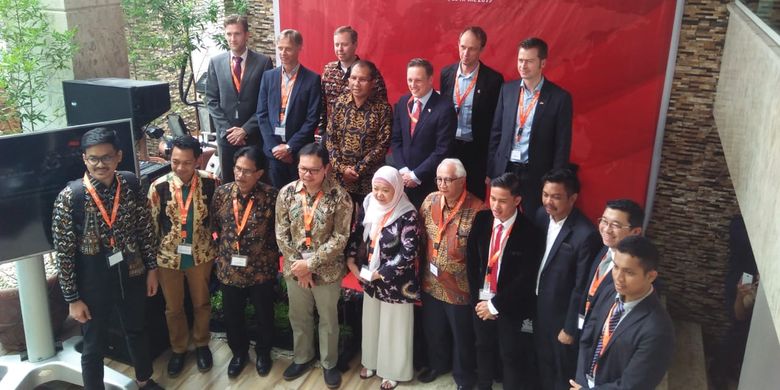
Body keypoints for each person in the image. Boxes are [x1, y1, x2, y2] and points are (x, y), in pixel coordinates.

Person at [51, 127, 162, 389]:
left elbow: (144, 229)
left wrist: (152, 268)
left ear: (119, 156)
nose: (100, 164)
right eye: (93, 158)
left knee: (137, 329)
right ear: (84, 159)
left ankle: (144, 380)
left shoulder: (131, 184)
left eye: (107, 157)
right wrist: (72, 299)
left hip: (132, 271)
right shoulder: (71, 197)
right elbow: (64, 254)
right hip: (93, 280)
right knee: (94, 344)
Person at [275, 143, 353, 388]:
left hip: (327, 271)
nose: (307, 175)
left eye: (313, 170)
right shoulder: (287, 193)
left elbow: (340, 238)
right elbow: (280, 232)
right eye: (302, 169)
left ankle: (329, 363)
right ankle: (303, 358)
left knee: (328, 319)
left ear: (326, 168)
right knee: (298, 316)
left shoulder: (340, 196)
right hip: (295, 269)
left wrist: (311, 264)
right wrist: (300, 266)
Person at [147, 136, 220, 377]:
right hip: (168, 258)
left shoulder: (211, 183)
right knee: (173, 307)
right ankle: (178, 348)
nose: (180, 168)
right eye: (175, 161)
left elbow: (217, 219)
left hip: (201, 254)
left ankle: (201, 344)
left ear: (198, 160)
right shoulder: (159, 186)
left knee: (201, 302)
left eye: (187, 163)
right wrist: (152, 266)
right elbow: (152, 227)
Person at [345, 166, 419, 390]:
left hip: (396, 282)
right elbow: (358, 233)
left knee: (393, 326)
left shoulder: (407, 212)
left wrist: (382, 273)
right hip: (369, 277)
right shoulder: (369, 203)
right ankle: (372, 362)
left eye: (385, 190)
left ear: (396, 188)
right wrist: (350, 259)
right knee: (372, 321)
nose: (379, 194)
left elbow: (409, 251)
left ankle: (393, 371)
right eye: (375, 188)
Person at [466, 172, 542, 390]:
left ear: (517, 201)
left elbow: (525, 278)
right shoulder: (482, 219)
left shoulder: (529, 232)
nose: (495, 206)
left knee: (510, 355)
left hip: (510, 307)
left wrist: (495, 305)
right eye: (492, 199)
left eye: (502, 201)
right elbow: (471, 263)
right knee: (482, 347)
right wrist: (477, 302)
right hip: (481, 303)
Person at [210, 146, 280, 378]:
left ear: (259, 173)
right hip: (230, 270)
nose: (240, 175)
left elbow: (279, 232)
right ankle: (238, 353)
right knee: (232, 316)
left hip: (261, 270)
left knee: (263, 315)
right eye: (237, 169)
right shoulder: (221, 193)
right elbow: (215, 226)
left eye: (247, 171)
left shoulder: (272, 196)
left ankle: (262, 353)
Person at [570, 235, 674, 390]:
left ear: (651, 276)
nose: (618, 277)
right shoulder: (609, 291)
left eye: (629, 273)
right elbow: (588, 337)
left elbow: (633, 385)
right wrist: (582, 381)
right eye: (616, 267)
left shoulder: (658, 329)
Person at [417, 158, 486, 389]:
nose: (443, 184)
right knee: (434, 330)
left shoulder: (478, 209)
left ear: (462, 181)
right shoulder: (429, 201)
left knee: (462, 337)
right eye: (439, 179)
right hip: (430, 282)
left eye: (448, 179)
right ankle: (438, 365)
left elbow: (482, 255)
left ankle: (463, 377)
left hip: (460, 288)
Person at [487, 37, 572, 214]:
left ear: (543, 63)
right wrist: (492, 169)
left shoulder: (559, 98)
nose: (523, 66)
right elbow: (496, 132)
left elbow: (562, 144)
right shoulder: (507, 90)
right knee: (501, 215)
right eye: (520, 60)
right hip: (506, 167)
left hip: (537, 172)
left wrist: (555, 180)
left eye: (529, 61)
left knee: (534, 218)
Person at [533, 168, 601, 390]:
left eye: (556, 197)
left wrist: (571, 327)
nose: (548, 202)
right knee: (540, 362)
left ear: (572, 198)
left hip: (561, 317)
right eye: (545, 194)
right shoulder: (540, 215)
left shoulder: (585, 234)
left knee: (560, 369)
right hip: (537, 307)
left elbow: (582, 286)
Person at [206, 14, 274, 183]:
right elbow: (211, 99)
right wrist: (228, 130)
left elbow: (265, 102)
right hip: (226, 137)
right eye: (228, 34)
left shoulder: (263, 62)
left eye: (237, 34)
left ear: (247, 35)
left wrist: (245, 129)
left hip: (252, 137)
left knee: (256, 183)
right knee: (229, 182)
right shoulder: (216, 62)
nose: (232, 38)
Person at [440, 26, 504, 200]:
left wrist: (491, 164)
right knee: (448, 195)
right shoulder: (446, 74)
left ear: (482, 49)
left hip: (476, 150)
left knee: (475, 198)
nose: (466, 53)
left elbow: (496, 123)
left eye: (472, 48)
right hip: (450, 147)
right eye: (462, 47)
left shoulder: (493, 80)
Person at [257, 29, 322, 188]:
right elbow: (262, 114)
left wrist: (289, 147)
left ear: (299, 48)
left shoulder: (312, 79)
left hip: (299, 153)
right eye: (280, 48)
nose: (283, 53)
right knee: (277, 197)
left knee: (301, 197)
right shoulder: (268, 76)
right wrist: (274, 147)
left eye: (288, 48)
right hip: (273, 152)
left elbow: (312, 119)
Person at [390, 58, 457, 207]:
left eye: (418, 80)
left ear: (430, 80)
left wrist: (416, 175)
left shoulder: (444, 108)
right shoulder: (403, 102)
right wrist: (403, 170)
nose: (413, 85)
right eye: (410, 80)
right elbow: (396, 140)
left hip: (428, 183)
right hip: (403, 180)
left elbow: (442, 150)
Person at [325, 60, 392, 203]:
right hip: (340, 179)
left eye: (362, 79)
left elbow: (383, 144)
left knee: (365, 222)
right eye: (353, 78)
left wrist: (357, 170)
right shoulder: (340, 103)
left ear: (373, 82)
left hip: (368, 182)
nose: (356, 83)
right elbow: (331, 139)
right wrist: (342, 168)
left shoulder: (382, 109)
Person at [579, 200, 644, 328]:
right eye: (604, 221)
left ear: (635, 232)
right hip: (584, 325)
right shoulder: (602, 248)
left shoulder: (637, 270)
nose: (607, 229)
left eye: (615, 225)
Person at [319, 25, 388, 138]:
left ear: (355, 45)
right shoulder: (329, 70)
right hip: (333, 135)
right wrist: (323, 132)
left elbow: (382, 106)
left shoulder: (368, 71)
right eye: (337, 44)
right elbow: (322, 103)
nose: (340, 49)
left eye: (344, 44)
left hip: (361, 136)